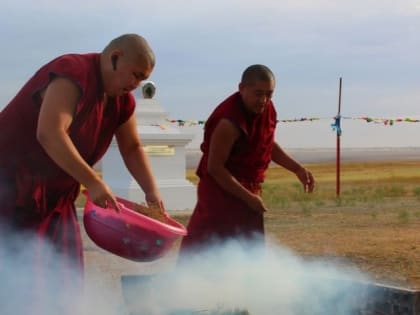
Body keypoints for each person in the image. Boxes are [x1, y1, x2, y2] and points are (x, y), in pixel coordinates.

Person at [0, 34, 163, 312]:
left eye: (142, 80)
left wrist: (151, 191)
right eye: (135, 76)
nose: (135, 86)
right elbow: (50, 133)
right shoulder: (73, 73)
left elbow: (132, 147)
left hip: (56, 198)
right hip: (10, 189)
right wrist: (93, 181)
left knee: (64, 281)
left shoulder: (122, 102)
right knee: (17, 283)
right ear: (115, 58)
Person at [178, 64, 315, 257]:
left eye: (269, 94)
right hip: (220, 193)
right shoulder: (228, 122)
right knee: (207, 247)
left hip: (249, 191)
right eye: (258, 94)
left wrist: (297, 168)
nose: (264, 101)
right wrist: (248, 198)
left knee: (248, 250)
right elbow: (215, 168)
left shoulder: (265, 110)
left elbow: (265, 143)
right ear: (242, 88)